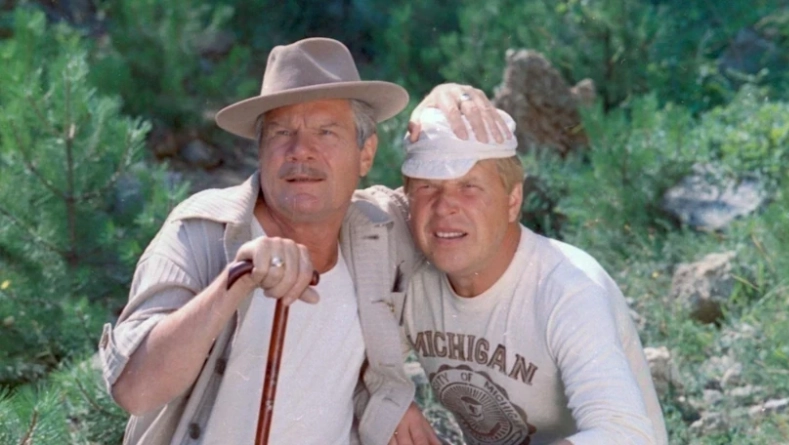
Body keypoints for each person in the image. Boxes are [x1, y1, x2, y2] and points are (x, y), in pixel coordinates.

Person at [98, 38, 504, 445]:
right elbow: (135, 392)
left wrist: (444, 101)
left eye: (326, 132)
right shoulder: (201, 231)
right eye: (281, 132)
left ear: (365, 154)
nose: (300, 151)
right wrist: (236, 280)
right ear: (260, 151)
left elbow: (457, 205)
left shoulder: (382, 229)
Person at [401, 108, 669, 444]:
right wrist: (390, 401)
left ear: (513, 200)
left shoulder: (568, 287)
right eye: (427, 187)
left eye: (469, 186)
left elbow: (626, 434)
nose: (444, 207)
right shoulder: (410, 277)